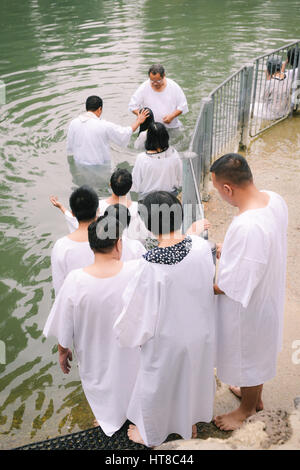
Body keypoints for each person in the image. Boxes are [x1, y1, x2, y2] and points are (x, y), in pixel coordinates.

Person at [113, 191, 216, 447]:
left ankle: (150, 435)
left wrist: (128, 337)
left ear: (148, 225)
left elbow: (136, 316)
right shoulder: (202, 247)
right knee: (192, 379)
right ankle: (188, 421)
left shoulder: (150, 265)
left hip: (168, 342)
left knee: (157, 387)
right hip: (200, 331)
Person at [43, 215, 141, 437]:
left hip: (94, 349)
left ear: (91, 245)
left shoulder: (75, 280)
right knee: (132, 376)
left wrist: (63, 350)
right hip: (130, 347)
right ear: (118, 243)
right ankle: (135, 415)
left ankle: (108, 419)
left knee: (101, 384)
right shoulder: (136, 270)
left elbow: (64, 322)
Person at [210, 153, 288, 431]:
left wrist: (197, 284)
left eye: (218, 189)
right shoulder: (273, 198)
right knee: (258, 352)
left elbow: (232, 286)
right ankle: (252, 394)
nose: (220, 195)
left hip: (250, 306)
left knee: (249, 355)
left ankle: (247, 409)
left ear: (228, 188)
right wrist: (228, 251)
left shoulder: (247, 226)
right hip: (268, 290)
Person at [51, 168, 151, 242]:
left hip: (106, 252)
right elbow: (147, 233)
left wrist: (62, 207)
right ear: (130, 187)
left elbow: (82, 224)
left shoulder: (98, 206)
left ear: (110, 185)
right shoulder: (140, 209)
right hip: (133, 255)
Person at [67, 95, 149, 165]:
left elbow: (70, 147)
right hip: (99, 166)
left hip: (79, 164)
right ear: (100, 109)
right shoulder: (103, 125)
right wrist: (139, 120)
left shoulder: (73, 123)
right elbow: (124, 133)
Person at [50, 185, 98, 296]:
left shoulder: (61, 246)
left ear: (73, 213)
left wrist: (61, 207)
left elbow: (59, 286)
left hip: (73, 305)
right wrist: (61, 207)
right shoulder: (108, 241)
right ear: (97, 211)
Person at [131, 122, 183, 200]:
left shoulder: (141, 158)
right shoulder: (174, 154)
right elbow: (180, 180)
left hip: (147, 200)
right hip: (170, 198)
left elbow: (135, 185)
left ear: (148, 138)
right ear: (166, 137)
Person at [128, 64, 188, 130]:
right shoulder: (144, 87)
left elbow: (182, 106)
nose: (155, 83)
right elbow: (132, 106)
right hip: (152, 129)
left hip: (171, 126)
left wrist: (172, 116)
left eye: (158, 80)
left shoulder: (173, 86)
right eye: (152, 81)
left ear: (164, 76)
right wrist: (141, 116)